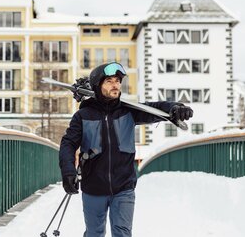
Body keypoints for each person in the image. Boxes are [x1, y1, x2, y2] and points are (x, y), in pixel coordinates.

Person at [59, 62, 193, 237]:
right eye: (109, 81)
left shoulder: (128, 112)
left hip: (124, 187)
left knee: (123, 233)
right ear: (98, 85)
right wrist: (68, 171)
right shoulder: (83, 116)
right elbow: (68, 143)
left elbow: (155, 108)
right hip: (93, 187)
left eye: (117, 80)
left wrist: (175, 107)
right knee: (94, 233)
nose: (115, 85)